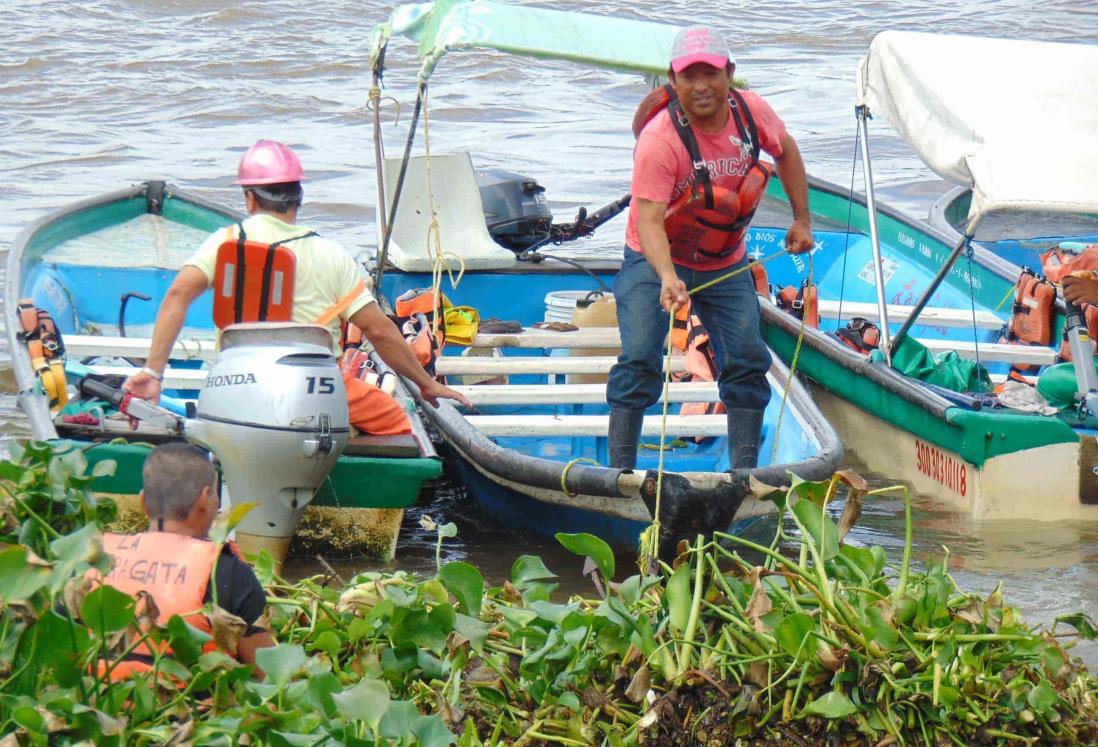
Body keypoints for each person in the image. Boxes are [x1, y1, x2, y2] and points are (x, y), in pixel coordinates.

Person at [123, 140, 470, 432]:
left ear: (249, 198)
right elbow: (379, 332)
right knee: (401, 427)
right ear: (298, 198)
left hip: (237, 383)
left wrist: (153, 371)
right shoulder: (331, 255)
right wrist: (426, 384)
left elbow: (177, 296)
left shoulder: (225, 242)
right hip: (318, 390)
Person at [607, 25, 814, 470]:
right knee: (640, 359)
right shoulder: (660, 141)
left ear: (729, 74)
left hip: (725, 260)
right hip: (654, 255)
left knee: (746, 360)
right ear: (673, 80)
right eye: (689, 76)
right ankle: (618, 472)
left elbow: (787, 152)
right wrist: (666, 277)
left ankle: (744, 472)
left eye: (711, 74)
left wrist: (801, 218)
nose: (701, 86)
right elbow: (648, 221)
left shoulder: (752, 112)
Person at [87, 443, 275, 677]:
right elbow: (270, 674)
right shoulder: (226, 571)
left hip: (101, 706)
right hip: (193, 711)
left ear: (143, 501)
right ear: (207, 499)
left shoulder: (94, 559)